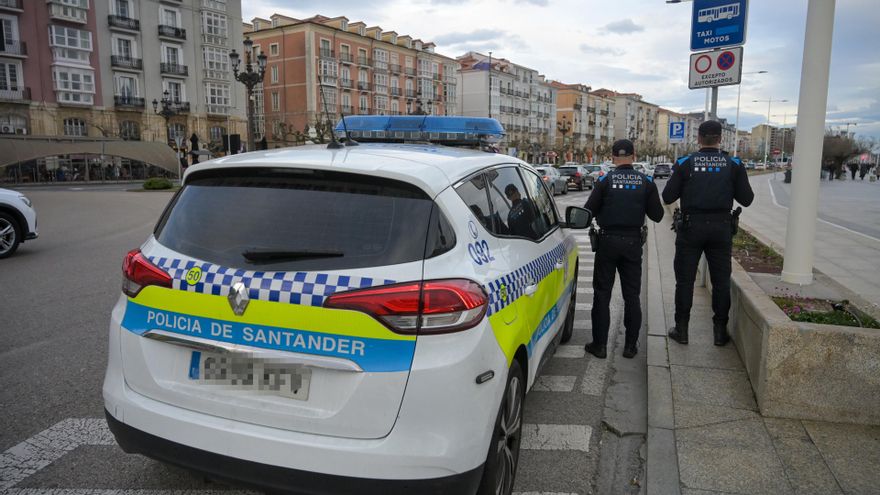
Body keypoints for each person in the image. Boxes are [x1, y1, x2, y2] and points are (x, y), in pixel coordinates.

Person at [662, 120, 755, 346]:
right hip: (720, 228)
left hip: (690, 228)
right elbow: (747, 199)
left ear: (699, 138)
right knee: (721, 281)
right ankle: (719, 332)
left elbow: (667, 197)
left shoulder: (685, 163)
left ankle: (682, 330)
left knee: (684, 281)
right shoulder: (733, 164)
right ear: (721, 139)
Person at [583, 139, 664, 359]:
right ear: (634, 156)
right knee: (632, 295)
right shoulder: (645, 182)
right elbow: (658, 215)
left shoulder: (605, 181)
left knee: (602, 294)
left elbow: (588, 211)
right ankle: (630, 346)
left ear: (612, 157)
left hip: (607, 242)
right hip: (632, 243)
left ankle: (600, 345)